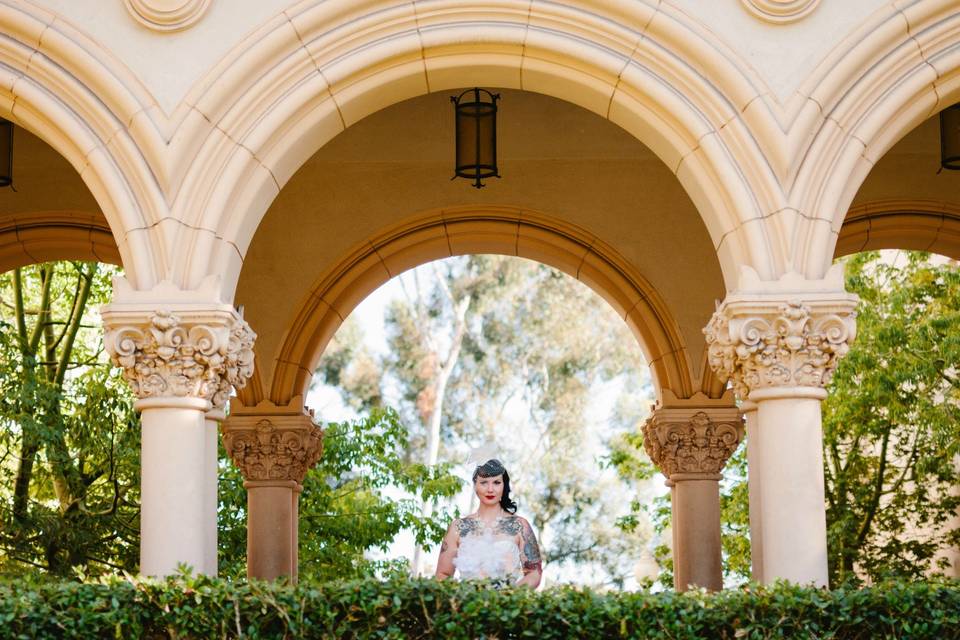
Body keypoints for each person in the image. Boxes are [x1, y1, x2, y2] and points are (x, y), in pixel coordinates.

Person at [434, 459, 542, 588]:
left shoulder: (520, 526)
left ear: (504, 486)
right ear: (475, 485)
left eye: (496, 482)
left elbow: (534, 573)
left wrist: (509, 596)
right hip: (466, 604)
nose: (490, 489)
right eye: (484, 483)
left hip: (507, 604)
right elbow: (442, 574)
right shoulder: (457, 527)